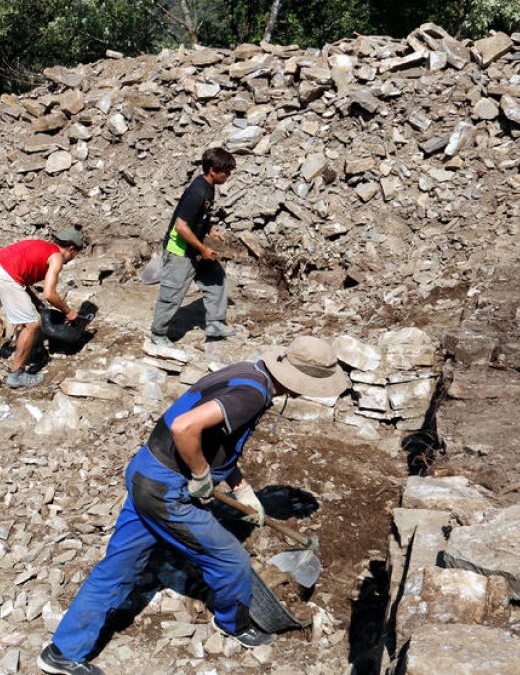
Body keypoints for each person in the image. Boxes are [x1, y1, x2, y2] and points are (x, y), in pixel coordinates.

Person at [37, 336, 351, 675]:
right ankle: (232, 623)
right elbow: (184, 426)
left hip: (145, 471)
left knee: (119, 566)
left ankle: (61, 652)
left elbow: (217, 442)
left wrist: (241, 487)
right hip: (166, 490)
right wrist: (201, 474)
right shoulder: (252, 395)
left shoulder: (247, 372)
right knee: (231, 560)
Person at [0, 228, 85, 388]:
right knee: (32, 325)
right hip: (4, 275)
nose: (73, 257)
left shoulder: (42, 246)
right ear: (71, 248)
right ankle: (16, 375)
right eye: (75, 254)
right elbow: (49, 294)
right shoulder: (56, 258)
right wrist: (69, 312)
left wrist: (37, 303)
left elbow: (22, 279)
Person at [151, 148, 237, 346]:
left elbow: (198, 216)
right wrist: (203, 249)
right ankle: (158, 334)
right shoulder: (197, 192)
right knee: (172, 294)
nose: (228, 175)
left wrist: (209, 229)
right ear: (213, 170)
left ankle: (215, 324)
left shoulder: (209, 187)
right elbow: (181, 226)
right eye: (226, 171)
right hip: (179, 251)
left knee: (215, 278)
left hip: (194, 248)